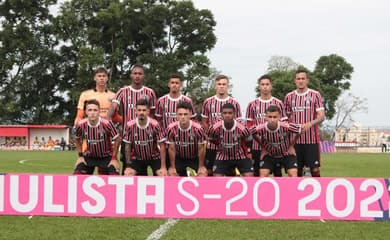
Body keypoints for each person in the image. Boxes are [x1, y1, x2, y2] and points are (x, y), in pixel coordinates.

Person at [107, 64, 157, 174]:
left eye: (140, 74)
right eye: (135, 73)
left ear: (143, 76)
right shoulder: (123, 91)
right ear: (131, 75)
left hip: (146, 138)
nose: (137, 76)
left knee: (147, 168)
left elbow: (153, 114)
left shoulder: (150, 92)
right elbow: (113, 106)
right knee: (128, 169)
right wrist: (108, 118)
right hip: (127, 137)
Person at [74, 67, 122, 174]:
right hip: (90, 136)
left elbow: (115, 116)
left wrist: (126, 120)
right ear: (95, 78)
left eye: (104, 76)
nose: (101, 78)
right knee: (83, 166)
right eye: (99, 76)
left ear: (107, 78)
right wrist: (77, 123)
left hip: (106, 135)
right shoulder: (86, 94)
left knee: (104, 171)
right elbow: (80, 115)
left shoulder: (113, 95)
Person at [284, 69, 325, 177]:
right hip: (294, 141)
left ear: (307, 80)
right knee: (295, 170)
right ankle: (295, 193)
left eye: (303, 78)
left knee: (315, 169)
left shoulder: (315, 95)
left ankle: (319, 191)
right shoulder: (289, 97)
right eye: (298, 79)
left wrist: (310, 123)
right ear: (295, 81)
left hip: (311, 140)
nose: (300, 81)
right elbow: (286, 119)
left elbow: (321, 116)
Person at [245, 75, 287, 177]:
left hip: (275, 146)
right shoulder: (252, 104)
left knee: (277, 173)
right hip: (257, 145)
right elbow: (249, 126)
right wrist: (249, 148)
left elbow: (284, 125)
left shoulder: (278, 103)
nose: (265, 87)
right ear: (259, 86)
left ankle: (278, 193)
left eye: (267, 84)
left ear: (271, 86)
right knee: (257, 173)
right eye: (262, 84)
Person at [201, 75, 242, 175]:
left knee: (230, 172)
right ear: (215, 86)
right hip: (212, 144)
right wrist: (211, 136)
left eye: (224, 84)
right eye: (219, 84)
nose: (221, 86)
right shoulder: (208, 102)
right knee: (210, 171)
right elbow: (204, 121)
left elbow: (239, 124)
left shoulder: (234, 103)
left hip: (229, 145)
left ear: (228, 86)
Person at [73, 99, 121, 175]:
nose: (92, 113)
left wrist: (114, 158)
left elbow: (117, 139)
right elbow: (76, 138)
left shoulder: (107, 123)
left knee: (114, 175)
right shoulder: (81, 124)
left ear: (99, 112)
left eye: (95, 110)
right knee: (77, 174)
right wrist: (80, 156)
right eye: (90, 110)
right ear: (86, 112)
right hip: (89, 156)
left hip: (106, 156)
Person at [253, 105, 301, 177]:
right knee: (263, 175)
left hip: (286, 154)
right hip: (270, 155)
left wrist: (291, 145)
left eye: (275, 117)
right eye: (270, 117)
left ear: (279, 117)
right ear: (266, 117)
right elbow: (253, 133)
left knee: (293, 174)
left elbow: (299, 130)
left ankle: (290, 188)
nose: (272, 120)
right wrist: (263, 147)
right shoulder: (260, 128)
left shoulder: (286, 126)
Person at [122, 99, 166, 176]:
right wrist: (128, 166)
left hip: (154, 158)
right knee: (128, 174)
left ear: (148, 111)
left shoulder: (155, 124)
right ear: (135, 111)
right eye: (139, 110)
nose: (141, 112)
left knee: (162, 174)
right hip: (138, 158)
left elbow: (162, 145)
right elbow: (127, 146)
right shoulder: (130, 125)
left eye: (144, 110)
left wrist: (163, 167)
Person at [208, 103, 253, 177]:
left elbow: (249, 140)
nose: (227, 115)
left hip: (240, 156)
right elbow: (212, 139)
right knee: (216, 177)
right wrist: (220, 144)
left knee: (249, 176)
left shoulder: (243, 128)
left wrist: (249, 152)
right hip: (222, 155)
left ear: (234, 114)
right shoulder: (214, 128)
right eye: (225, 113)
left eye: (230, 113)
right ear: (221, 114)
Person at [165, 101, 207, 177]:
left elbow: (201, 149)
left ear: (190, 114)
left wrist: (201, 166)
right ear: (176, 115)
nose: (183, 117)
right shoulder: (171, 129)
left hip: (194, 157)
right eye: (180, 114)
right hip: (179, 158)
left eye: (185, 114)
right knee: (172, 174)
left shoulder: (198, 129)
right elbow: (171, 149)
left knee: (203, 174)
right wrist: (173, 167)